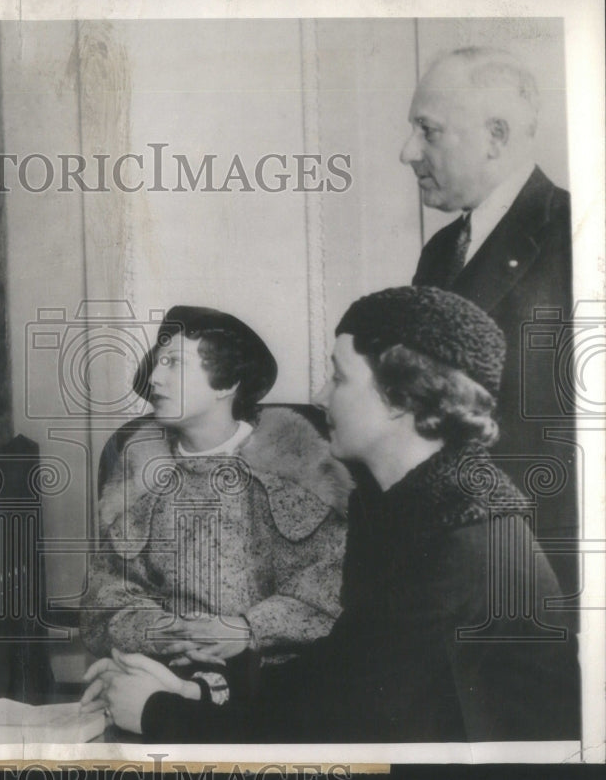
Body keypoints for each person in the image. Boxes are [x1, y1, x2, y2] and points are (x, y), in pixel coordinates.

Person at [82, 287, 580, 743]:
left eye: (338, 377)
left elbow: (333, 732)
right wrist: (199, 692)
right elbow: (338, 673)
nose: (319, 397)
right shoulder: (414, 513)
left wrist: (158, 713)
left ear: (401, 397)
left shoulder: (457, 553)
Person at [81, 306, 351, 678]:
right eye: (158, 364)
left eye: (174, 363)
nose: (155, 379)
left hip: (279, 688)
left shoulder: (296, 477)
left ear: (226, 384)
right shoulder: (137, 482)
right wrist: (163, 633)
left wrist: (247, 629)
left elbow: (333, 593)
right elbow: (104, 600)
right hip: (160, 677)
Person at [400, 46, 575, 579]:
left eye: (428, 131)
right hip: (452, 552)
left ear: (496, 137)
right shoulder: (441, 249)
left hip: (538, 561)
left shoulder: (575, 232)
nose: (407, 152)